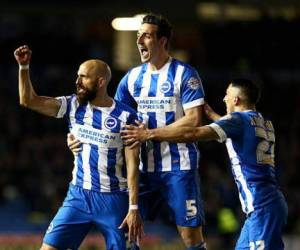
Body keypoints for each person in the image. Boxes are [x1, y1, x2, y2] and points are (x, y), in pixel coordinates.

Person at [121, 78, 288, 250]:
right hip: (267, 204)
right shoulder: (263, 122)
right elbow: (235, 133)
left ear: (236, 100)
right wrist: (212, 115)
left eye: (227, 95)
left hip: (262, 207)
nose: (224, 99)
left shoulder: (237, 121)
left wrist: (148, 134)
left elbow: (193, 133)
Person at [14, 45, 144, 250]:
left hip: (115, 200)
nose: (77, 82)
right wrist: (24, 67)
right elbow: (28, 100)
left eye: (83, 77)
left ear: (100, 82)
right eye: (77, 76)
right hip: (78, 196)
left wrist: (134, 207)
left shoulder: (127, 117)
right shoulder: (73, 105)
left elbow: (132, 164)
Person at [114, 13, 207, 250]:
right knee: (127, 232)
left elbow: (194, 120)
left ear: (162, 40)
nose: (139, 41)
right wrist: (77, 138)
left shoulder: (185, 74)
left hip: (180, 168)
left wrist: (149, 134)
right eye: (138, 36)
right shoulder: (132, 78)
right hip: (144, 170)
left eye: (146, 36)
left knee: (191, 239)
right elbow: (114, 118)